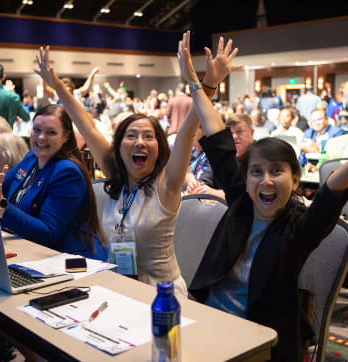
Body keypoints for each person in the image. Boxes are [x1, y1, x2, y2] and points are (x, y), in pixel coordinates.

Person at [177, 32, 348, 361]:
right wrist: (200, 83)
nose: (265, 179)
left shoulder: (300, 229)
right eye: (256, 171)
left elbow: (335, 185)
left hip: (261, 341)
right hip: (210, 321)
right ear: (246, 178)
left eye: (276, 171)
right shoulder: (241, 202)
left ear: (295, 180)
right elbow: (217, 135)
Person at [34, 33, 241, 296]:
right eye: (131, 136)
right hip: (118, 289)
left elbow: (188, 131)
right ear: (119, 147)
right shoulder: (117, 179)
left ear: (159, 147)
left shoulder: (167, 184)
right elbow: (85, 125)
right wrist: (56, 86)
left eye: (148, 136)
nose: (139, 142)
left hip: (161, 296)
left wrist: (207, 83)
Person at [0, 107, 106, 259]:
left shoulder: (67, 172)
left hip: (71, 262)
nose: (41, 137)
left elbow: (48, 233)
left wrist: (1, 207)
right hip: (36, 253)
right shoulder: (32, 157)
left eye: (51, 132)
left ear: (66, 136)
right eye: (36, 130)